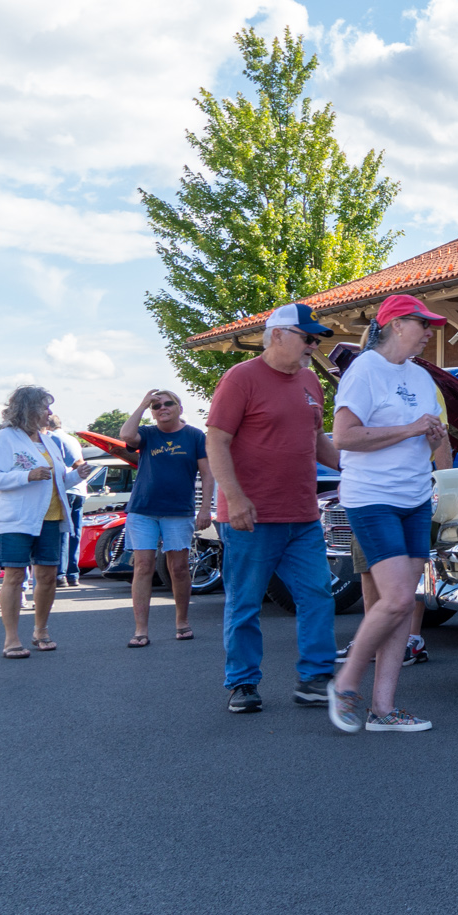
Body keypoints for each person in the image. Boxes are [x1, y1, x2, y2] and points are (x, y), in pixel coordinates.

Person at [207, 303, 342, 714]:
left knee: (318, 593)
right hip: (252, 515)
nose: (313, 346)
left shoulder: (309, 381)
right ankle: (243, 683)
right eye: (307, 338)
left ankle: (315, 678)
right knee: (245, 602)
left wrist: (352, 467)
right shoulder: (240, 378)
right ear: (279, 334)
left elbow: (318, 440)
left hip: (301, 513)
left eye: (316, 339)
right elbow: (216, 441)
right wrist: (236, 497)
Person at [327, 295, 451, 734]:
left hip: (415, 497)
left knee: (399, 606)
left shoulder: (419, 376)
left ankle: (383, 709)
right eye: (424, 323)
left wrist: (432, 435)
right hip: (372, 497)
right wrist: (411, 428)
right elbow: (344, 437)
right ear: (397, 324)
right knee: (397, 599)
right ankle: (344, 683)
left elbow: (429, 436)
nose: (431, 331)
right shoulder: (364, 370)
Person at [0, 386, 90, 658]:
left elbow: (58, 480)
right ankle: (11, 639)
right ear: (28, 409)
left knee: (48, 577)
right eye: (44, 407)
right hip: (17, 519)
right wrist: (26, 476)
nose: (49, 412)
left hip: (51, 518)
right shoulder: (3, 439)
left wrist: (78, 476)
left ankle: (41, 630)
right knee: (15, 576)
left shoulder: (49, 440)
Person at [117, 388, 213, 647]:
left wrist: (205, 509)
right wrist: (141, 404)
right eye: (155, 406)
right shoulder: (147, 433)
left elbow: (207, 475)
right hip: (143, 510)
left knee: (179, 568)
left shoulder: (194, 436)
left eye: (168, 404)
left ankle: (182, 622)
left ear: (180, 407)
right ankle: (140, 630)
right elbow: (126, 435)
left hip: (178, 512)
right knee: (143, 567)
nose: (162, 409)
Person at [51, 420, 89, 587]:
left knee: (62, 532)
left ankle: (60, 573)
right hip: (80, 489)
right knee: (75, 532)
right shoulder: (72, 439)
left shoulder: (50, 437)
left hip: (65, 487)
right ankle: (73, 573)